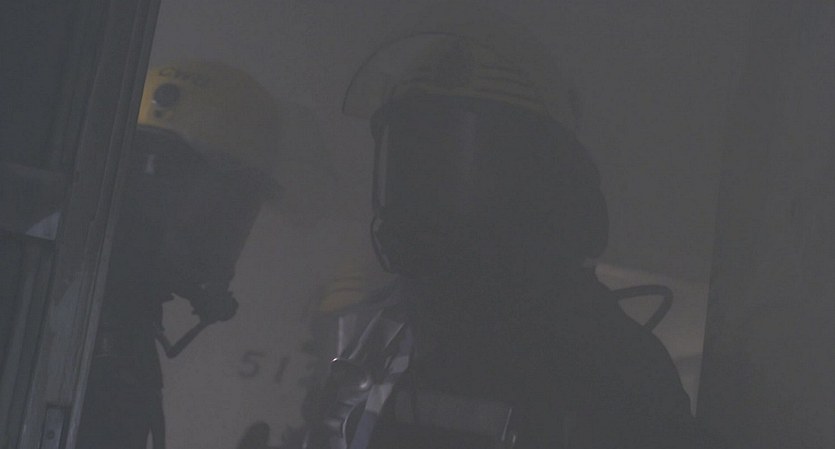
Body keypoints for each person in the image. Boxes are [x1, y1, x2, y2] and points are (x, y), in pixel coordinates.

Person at [301, 35, 715, 449]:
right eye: (412, 168)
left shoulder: (613, 367)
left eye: (453, 169)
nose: (425, 203)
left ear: (535, 188)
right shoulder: (383, 336)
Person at [77, 60, 282, 449]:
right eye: (234, 202)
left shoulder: (83, 314)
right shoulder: (103, 353)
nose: (232, 228)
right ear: (160, 182)